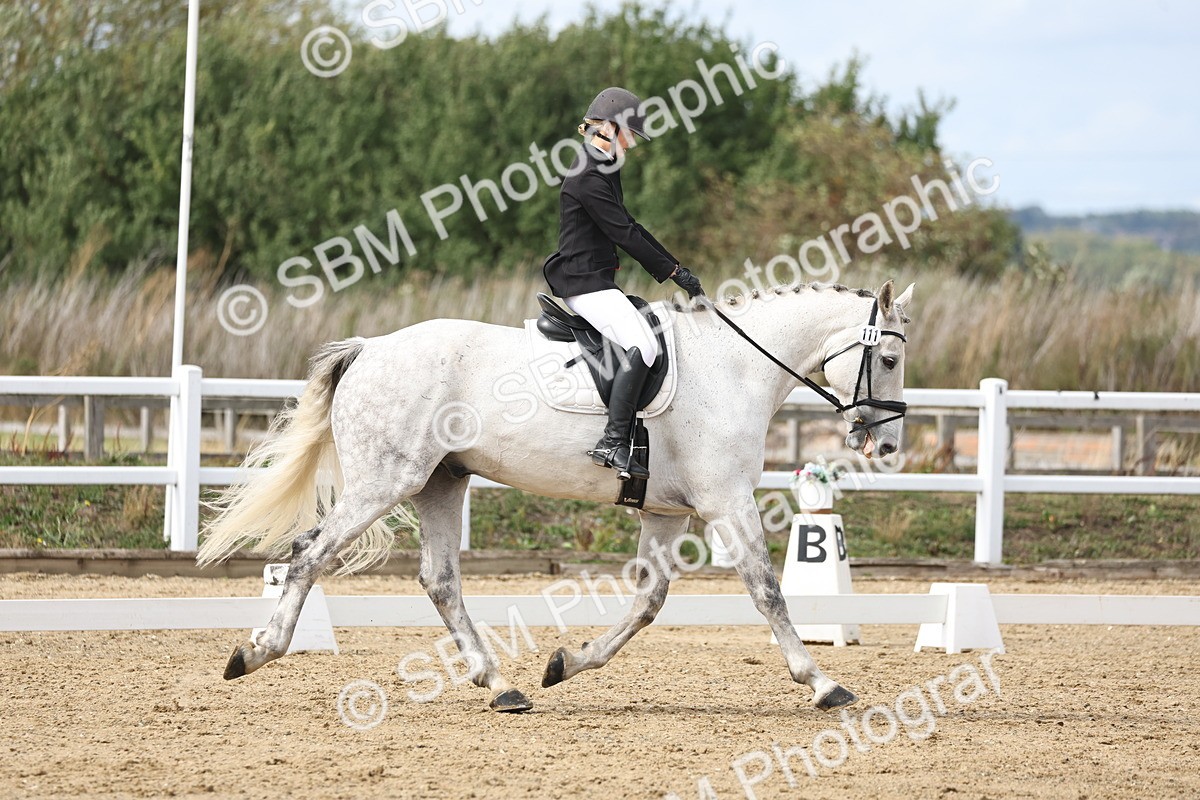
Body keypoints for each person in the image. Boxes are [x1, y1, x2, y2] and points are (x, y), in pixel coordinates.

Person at [542, 87, 705, 481]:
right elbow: (624, 235)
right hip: (583, 283)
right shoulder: (587, 174)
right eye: (630, 133)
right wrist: (672, 272)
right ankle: (613, 441)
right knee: (643, 345)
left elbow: (631, 224)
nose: (632, 142)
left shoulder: (603, 165)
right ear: (610, 128)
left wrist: (675, 269)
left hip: (595, 280)